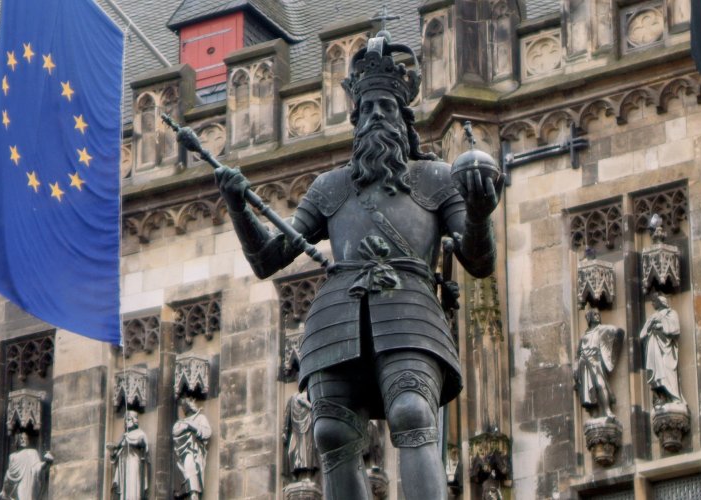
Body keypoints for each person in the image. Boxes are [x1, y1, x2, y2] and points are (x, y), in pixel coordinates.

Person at [209, 28, 499, 499]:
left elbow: (477, 260)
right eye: (366, 109)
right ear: (356, 120)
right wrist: (239, 207)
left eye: (385, 107)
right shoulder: (329, 187)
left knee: (411, 410)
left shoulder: (437, 178)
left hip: (411, 313)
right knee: (329, 433)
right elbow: (267, 259)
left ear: (403, 119)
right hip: (337, 320)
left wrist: (482, 213)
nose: (375, 116)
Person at [574, 309, 623, 418]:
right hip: (584, 363)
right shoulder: (584, 336)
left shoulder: (601, 330)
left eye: (598, 314)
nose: (597, 316)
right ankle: (594, 412)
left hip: (596, 362)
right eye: (594, 314)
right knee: (589, 389)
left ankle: (607, 410)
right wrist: (575, 368)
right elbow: (578, 354)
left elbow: (615, 331)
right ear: (589, 318)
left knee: (600, 385)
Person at [640, 294, 682, 405]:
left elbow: (676, 329)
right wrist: (650, 327)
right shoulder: (652, 317)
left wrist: (660, 326)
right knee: (656, 373)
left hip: (666, 349)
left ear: (661, 302)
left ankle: (674, 397)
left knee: (667, 370)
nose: (652, 304)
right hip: (653, 346)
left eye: (654, 301)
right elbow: (642, 334)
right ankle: (661, 397)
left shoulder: (671, 313)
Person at [172, 399, 211, 500]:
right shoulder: (181, 422)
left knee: (191, 467)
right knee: (187, 469)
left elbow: (207, 433)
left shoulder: (200, 418)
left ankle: (194, 494)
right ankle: (189, 492)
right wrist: (186, 426)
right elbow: (175, 431)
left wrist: (193, 427)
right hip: (182, 452)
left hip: (194, 451)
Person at [0, 433, 52, 500]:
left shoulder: (32, 452)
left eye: (25, 438)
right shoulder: (12, 456)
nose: (23, 440)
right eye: (21, 439)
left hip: (27, 483)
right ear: (17, 441)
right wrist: (5, 489)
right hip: (14, 486)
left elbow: (37, 467)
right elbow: (10, 474)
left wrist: (46, 463)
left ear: (28, 440)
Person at [110, 410, 149, 500]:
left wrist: (129, 440)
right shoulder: (123, 437)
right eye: (125, 421)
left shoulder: (140, 433)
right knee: (124, 489)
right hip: (123, 465)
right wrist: (113, 452)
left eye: (128, 420)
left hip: (133, 462)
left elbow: (143, 444)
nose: (126, 422)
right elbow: (116, 455)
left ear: (134, 420)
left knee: (132, 486)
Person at [282, 391, 318, 480]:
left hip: (308, 429)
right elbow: (287, 415)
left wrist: (306, 404)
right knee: (292, 451)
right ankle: (295, 474)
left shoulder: (311, 394)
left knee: (307, 452)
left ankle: (307, 475)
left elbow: (314, 409)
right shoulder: (293, 397)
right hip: (296, 430)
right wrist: (284, 431)